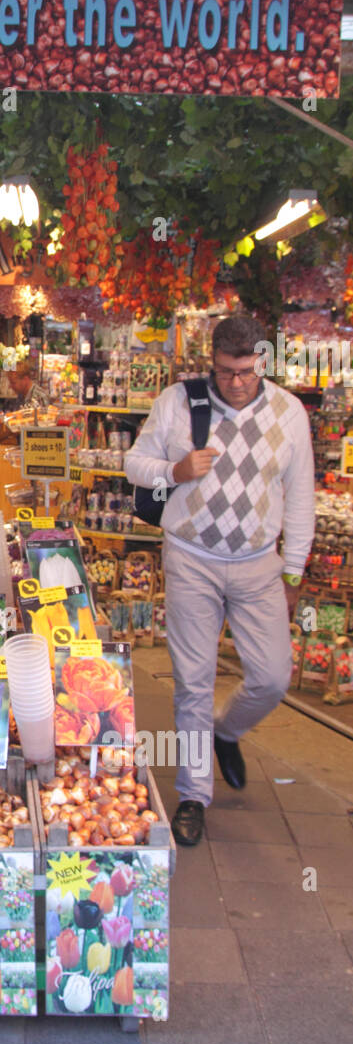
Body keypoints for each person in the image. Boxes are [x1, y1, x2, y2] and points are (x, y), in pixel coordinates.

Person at [124, 314, 315, 847]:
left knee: (273, 676)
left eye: (248, 372)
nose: (236, 382)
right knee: (193, 682)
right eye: (227, 371)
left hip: (258, 564)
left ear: (264, 364)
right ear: (211, 362)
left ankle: (226, 731)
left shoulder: (289, 412)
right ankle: (192, 795)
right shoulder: (178, 402)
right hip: (190, 557)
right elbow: (133, 462)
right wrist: (174, 472)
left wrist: (294, 569)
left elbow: (300, 498)